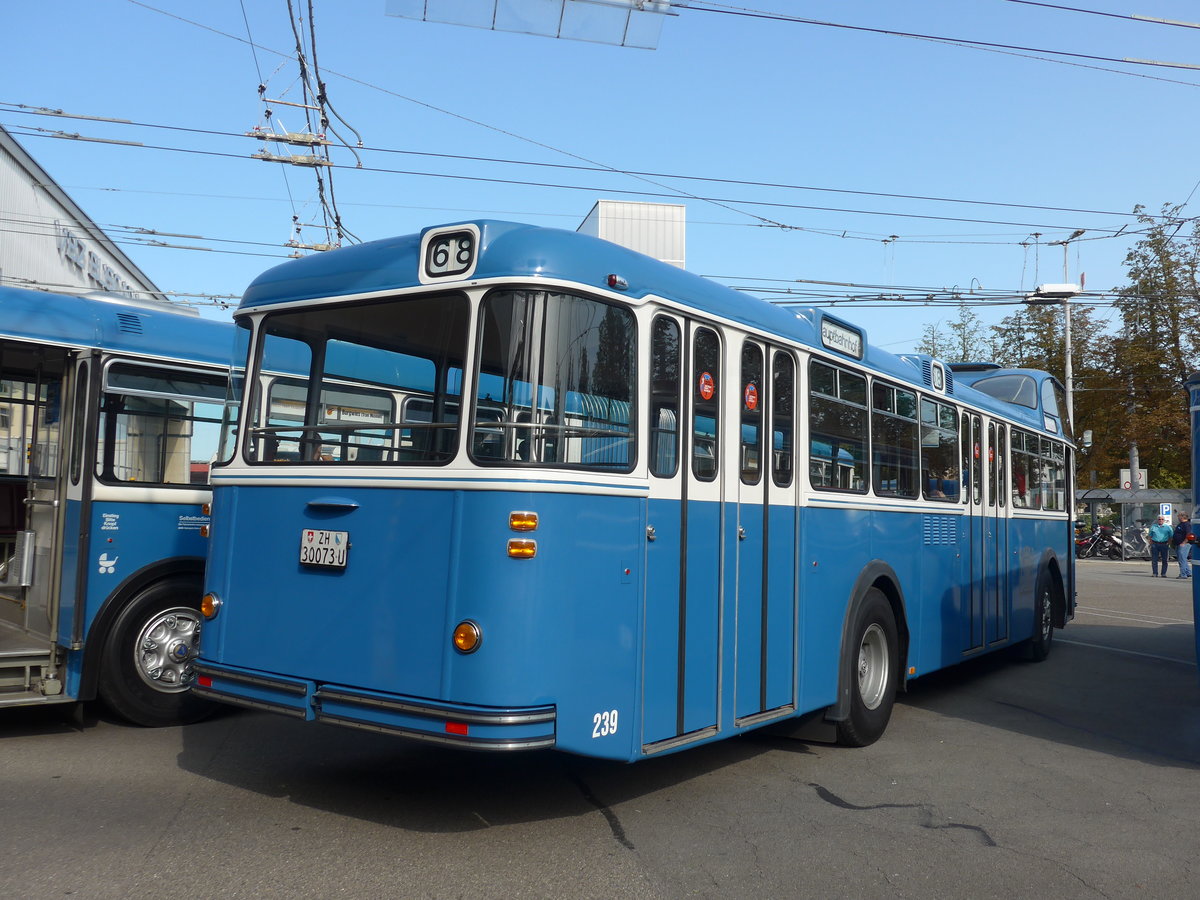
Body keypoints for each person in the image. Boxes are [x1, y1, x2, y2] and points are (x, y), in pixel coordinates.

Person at [1173, 513, 1193, 579]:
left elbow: (1189, 534)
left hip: (1184, 544)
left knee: (1182, 559)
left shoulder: (1187, 524)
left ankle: (1183, 574)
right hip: (1178, 543)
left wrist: (1184, 542)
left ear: (1182, 517)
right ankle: (1188, 572)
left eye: (1179, 516)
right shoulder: (1181, 524)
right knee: (1182, 559)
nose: (1178, 518)